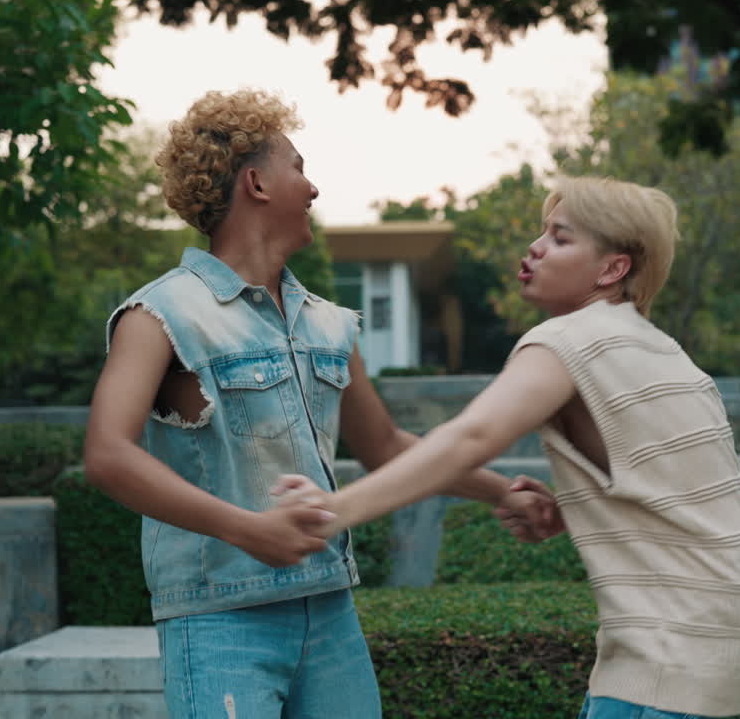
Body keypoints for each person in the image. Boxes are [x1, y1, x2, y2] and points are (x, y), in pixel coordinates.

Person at [82, 88, 555, 719]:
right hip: (220, 617)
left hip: (330, 610)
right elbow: (107, 456)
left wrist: (502, 492)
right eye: (298, 168)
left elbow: (386, 447)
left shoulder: (330, 324)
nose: (312, 188)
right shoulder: (161, 313)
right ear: (255, 183)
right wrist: (250, 531)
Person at [275, 175, 740, 718]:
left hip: (665, 659)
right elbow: (668, 493)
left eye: (561, 238)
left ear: (613, 268)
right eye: (543, 233)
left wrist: (329, 511)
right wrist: (555, 502)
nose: (535, 248)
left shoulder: (567, 340)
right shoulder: (665, 353)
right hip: (727, 645)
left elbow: (471, 437)